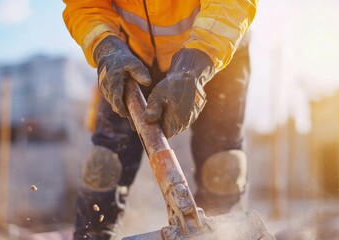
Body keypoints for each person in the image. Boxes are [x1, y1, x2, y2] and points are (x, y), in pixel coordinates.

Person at [63, 1, 257, 239]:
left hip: (217, 44)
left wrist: (197, 61)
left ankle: (223, 235)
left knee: (224, 167)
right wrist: (106, 45)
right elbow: (84, 6)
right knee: (104, 166)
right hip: (128, 53)